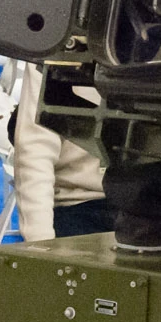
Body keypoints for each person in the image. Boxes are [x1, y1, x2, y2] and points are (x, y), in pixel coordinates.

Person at [13, 60, 110, 239]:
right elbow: (35, 150)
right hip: (78, 206)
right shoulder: (52, 49)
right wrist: (40, 242)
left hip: (150, 205)